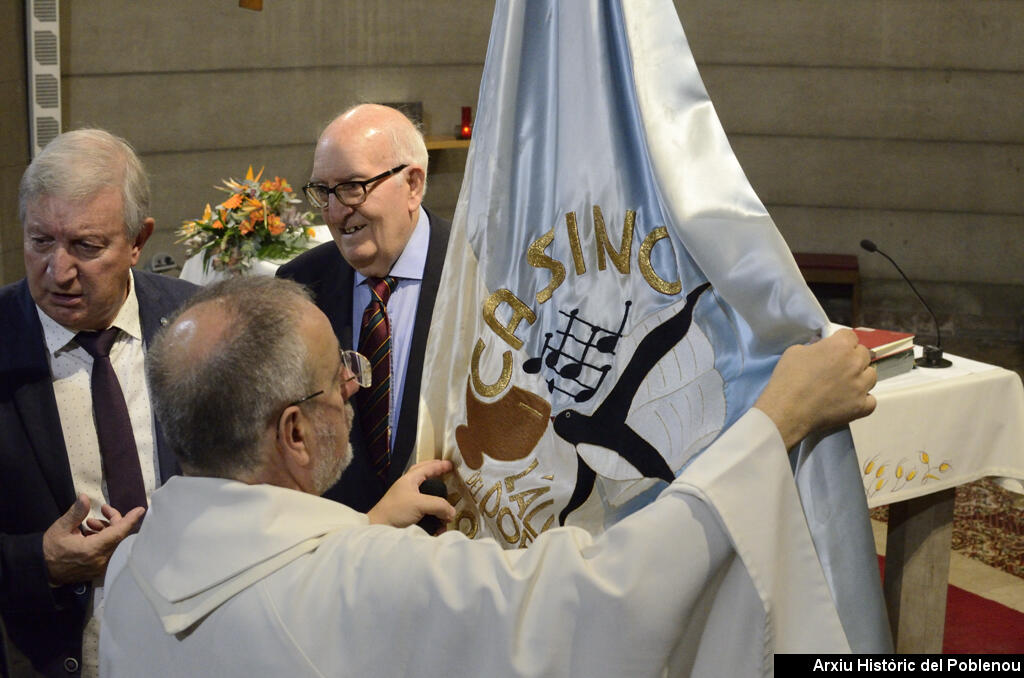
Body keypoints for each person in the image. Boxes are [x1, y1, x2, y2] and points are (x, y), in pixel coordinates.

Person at [100, 276, 876, 676]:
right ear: (294, 434)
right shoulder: (366, 579)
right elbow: (603, 599)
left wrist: (363, 527)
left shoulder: (131, 569)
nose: (353, 388)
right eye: (338, 379)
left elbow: (268, 603)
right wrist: (776, 422)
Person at [0, 129, 198, 678]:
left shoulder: (198, 324)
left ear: (139, 240)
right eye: (41, 241)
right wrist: (37, 563)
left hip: (201, 646)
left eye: (87, 247)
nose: (59, 272)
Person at [276, 103, 450, 513]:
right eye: (324, 191)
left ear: (412, 185)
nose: (336, 212)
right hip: (345, 550)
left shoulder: (478, 271)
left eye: (354, 186)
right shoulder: (301, 286)